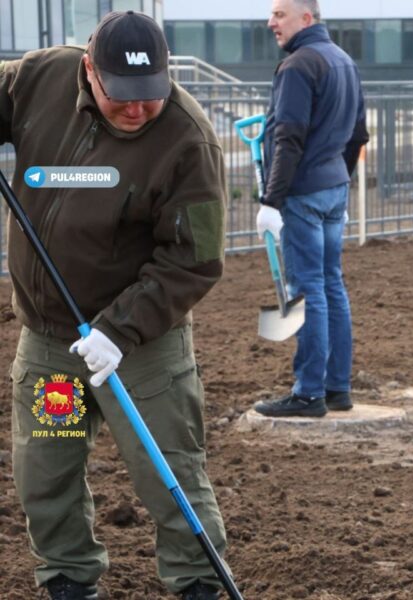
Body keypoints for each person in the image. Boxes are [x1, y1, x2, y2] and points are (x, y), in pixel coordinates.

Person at [0, 11, 228, 600]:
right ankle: (68, 579)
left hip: (141, 351)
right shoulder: (41, 78)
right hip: (53, 346)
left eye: (150, 93)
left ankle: (198, 583)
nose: (137, 108)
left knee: (168, 472)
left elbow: (196, 259)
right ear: (88, 72)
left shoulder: (189, 142)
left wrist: (119, 331)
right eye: (121, 94)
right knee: (46, 470)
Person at [253, 0, 369, 418]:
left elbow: (289, 137)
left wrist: (271, 200)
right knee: (331, 284)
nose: (271, 22)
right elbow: (358, 134)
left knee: (308, 290)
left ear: (306, 18)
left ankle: (308, 393)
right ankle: (337, 388)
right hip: (333, 187)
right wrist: (340, 178)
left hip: (302, 193)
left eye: (279, 14)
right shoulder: (343, 61)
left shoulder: (298, 65)